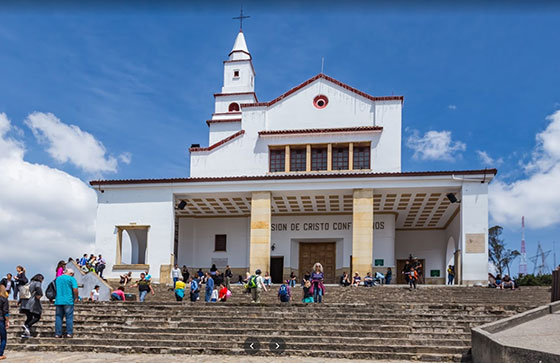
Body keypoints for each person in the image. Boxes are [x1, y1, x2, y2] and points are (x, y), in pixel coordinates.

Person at [54, 268, 78, 338]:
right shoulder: (71, 279)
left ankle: (58, 334)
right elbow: (75, 289)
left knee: (58, 317)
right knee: (69, 317)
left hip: (58, 300)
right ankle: (69, 333)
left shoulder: (58, 279)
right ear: (71, 273)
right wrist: (76, 297)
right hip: (68, 300)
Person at [20, 274, 44, 338]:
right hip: (31, 303)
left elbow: (23, 292)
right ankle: (27, 326)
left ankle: (26, 332)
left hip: (24, 303)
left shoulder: (28, 283)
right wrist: (40, 295)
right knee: (37, 316)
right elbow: (38, 288)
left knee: (29, 317)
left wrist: (20, 301)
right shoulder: (37, 283)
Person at [0, 284, 10, 360]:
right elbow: (5, 312)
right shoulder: (4, 299)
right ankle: (0, 354)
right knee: (3, 338)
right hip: (1, 320)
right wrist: (7, 321)